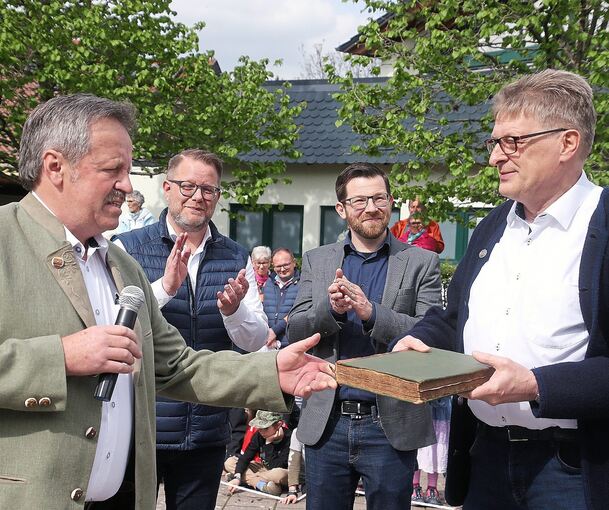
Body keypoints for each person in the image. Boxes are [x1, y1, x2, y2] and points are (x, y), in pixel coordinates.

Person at [0, 93, 336, 510]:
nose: (126, 185)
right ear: (55, 167)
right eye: (113, 170)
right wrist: (61, 357)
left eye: (127, 169)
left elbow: (178, 366)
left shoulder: (119, 263)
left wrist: (270, 373)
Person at [393, 69, 609, 510]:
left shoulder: (602, 226)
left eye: (513, 141)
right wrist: (423, 339)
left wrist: (535, 384)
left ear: (568, 143)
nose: (495, 157)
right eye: (494, 143)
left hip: (573, 467)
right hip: (486, 457)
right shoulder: (494, 225)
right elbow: (456, 314)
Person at [113, 149, 269, 510]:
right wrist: (166, 288)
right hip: (140, 427)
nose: (198, 196)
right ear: (167, 188)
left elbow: (257, 338)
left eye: (209, 189)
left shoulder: (235, 255)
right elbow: (112, 321)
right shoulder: (127, 248)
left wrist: (232, 313)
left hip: (206, 427)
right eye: (188, 186)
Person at [287, 162, 442, 510]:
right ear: (341, 209)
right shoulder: (317, 259)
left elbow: (431, 337)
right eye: (359, 201)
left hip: (390, 424)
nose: (371, 208)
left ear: (390, 202)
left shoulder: (421, 262)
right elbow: (294, 329)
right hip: (328, 421)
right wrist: (333, 311)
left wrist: (372, 313)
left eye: (379, 198)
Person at [224, 410, 291, 496]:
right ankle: (263, 486)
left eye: (265, 428)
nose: (261, 431)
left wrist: (269, 443)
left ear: (278, 425)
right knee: (230, 462)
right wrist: (237, 476)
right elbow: (246, 456)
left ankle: (248, 480)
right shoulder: (260, 434)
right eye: (259, 428)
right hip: (263, 468)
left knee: (279, 474)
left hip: (281, 471)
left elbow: (275, 466)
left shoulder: (289, 438)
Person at [411, 396, 451, 506]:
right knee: (417, 448)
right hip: (419, 409)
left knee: (436, 449)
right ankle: (414, 487)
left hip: (440, 411)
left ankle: (432, 488)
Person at [262, 247, 300, 350]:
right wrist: (268, 335)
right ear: (273, 267)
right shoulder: (268, 283)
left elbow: (300, 312)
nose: (282, 269)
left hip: (290, 345)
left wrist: (274, 331)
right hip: (268, 344)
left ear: (294, 263)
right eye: (278, 266)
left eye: (286, 265)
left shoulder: (303, 283)